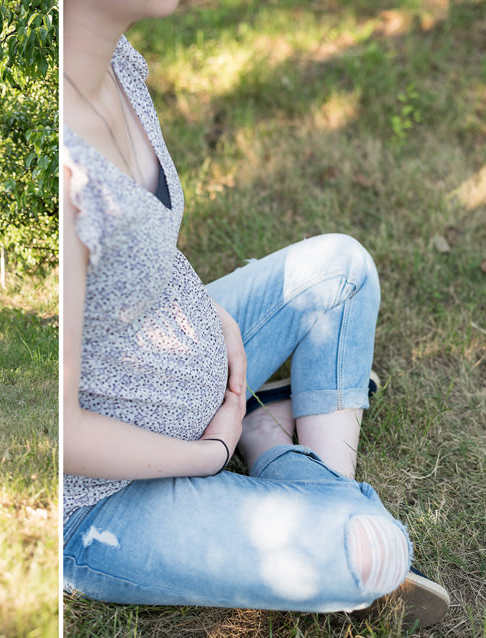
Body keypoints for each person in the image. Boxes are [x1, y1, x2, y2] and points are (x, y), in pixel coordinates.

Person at [62, 0, 448, 627]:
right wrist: (213, 451)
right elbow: (63, 436)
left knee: (340, 269)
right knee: (373, 550)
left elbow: (146, 250)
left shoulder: (119, 63)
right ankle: (266, 440)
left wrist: (215, 315)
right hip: (105, 496)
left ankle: (269, 437)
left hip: (194, 360)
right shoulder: (64, 169)